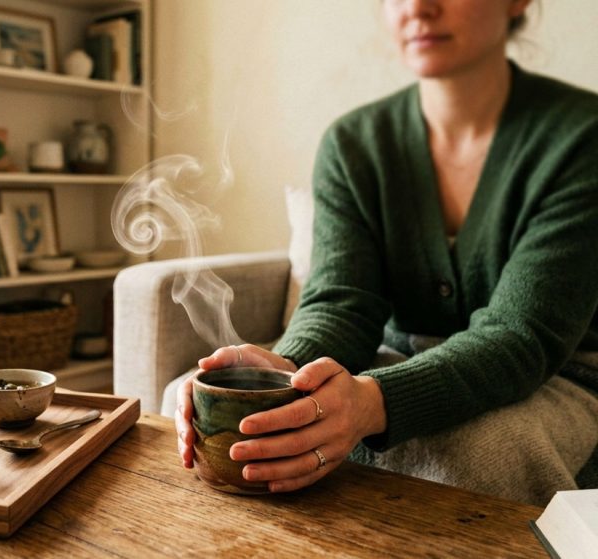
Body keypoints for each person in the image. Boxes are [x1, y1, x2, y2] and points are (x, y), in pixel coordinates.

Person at [176, 0, 598, 506]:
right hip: (397, 357)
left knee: (470, 457)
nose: (418, 7)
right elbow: (342, 304)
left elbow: (520, 334)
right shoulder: (354, 143)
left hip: (561, 373)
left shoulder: (581, 137)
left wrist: (371, 404)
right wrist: (286, 372)